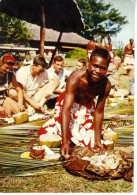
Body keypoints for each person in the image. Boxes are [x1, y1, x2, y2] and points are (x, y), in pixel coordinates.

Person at [37, 48, 111, 156]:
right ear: (88, 63)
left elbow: (99, 112)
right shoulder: (75, 78)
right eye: (95, 66)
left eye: (103, 68)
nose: (98, 71)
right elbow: (66, 110)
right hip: (68, 104)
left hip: (87, 105)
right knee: (74, 137)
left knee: (89, 141)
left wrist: (97, 141)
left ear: (107, 68)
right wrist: (65, 142)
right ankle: (55, 126)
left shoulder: (106, 85)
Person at [0, 53, 25, 118]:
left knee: (21, 114)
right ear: (1, 63)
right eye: (6, 67)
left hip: (3, 99)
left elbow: (19, 90)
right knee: (4, 118)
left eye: (10, 68)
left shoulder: (11, 74)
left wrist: (20, 103)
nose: (8, 70)